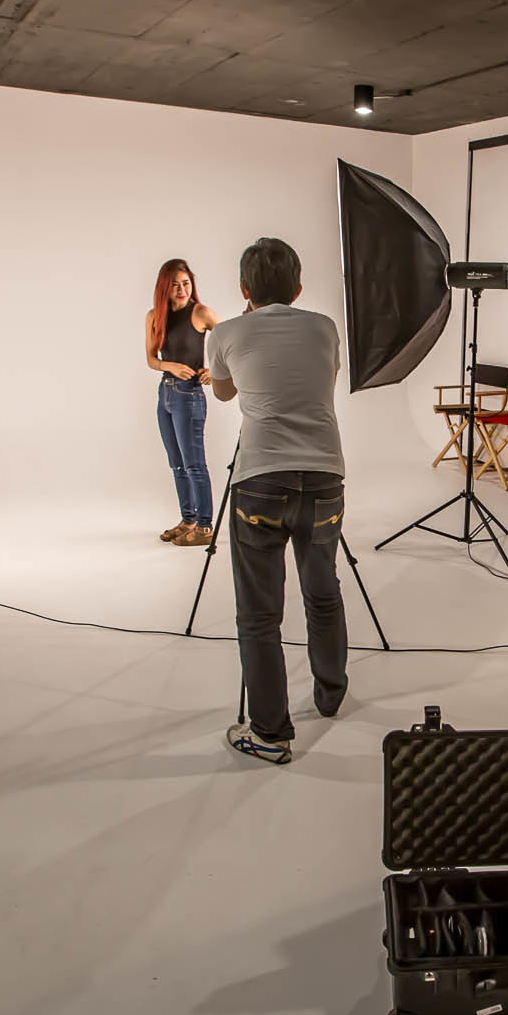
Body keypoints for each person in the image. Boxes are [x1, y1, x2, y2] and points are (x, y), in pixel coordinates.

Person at [206, 238, 347, 766]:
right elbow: (323, 381)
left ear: (244, 289)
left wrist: (244, 331)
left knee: (260, 615)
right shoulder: (324, 328)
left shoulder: (225, 333)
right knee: (323, 591)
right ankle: (330, 695)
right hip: (325, 476)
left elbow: (224, 393)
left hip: (260, 481)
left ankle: (269, 733)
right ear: (300, 286)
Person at [145, 259, 219, 546]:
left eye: (186, 283)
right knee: (177, 464)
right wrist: (170, 366)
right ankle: (188, 518)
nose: (181, 289)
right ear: (165, 286)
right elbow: (152, 360)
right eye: (175, 284)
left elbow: (231, 342)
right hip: (166, 394)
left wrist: (215, 371)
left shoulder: (200, 313)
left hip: (189, 395)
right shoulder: (155, 316)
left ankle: (204, 527)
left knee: (194, 464)